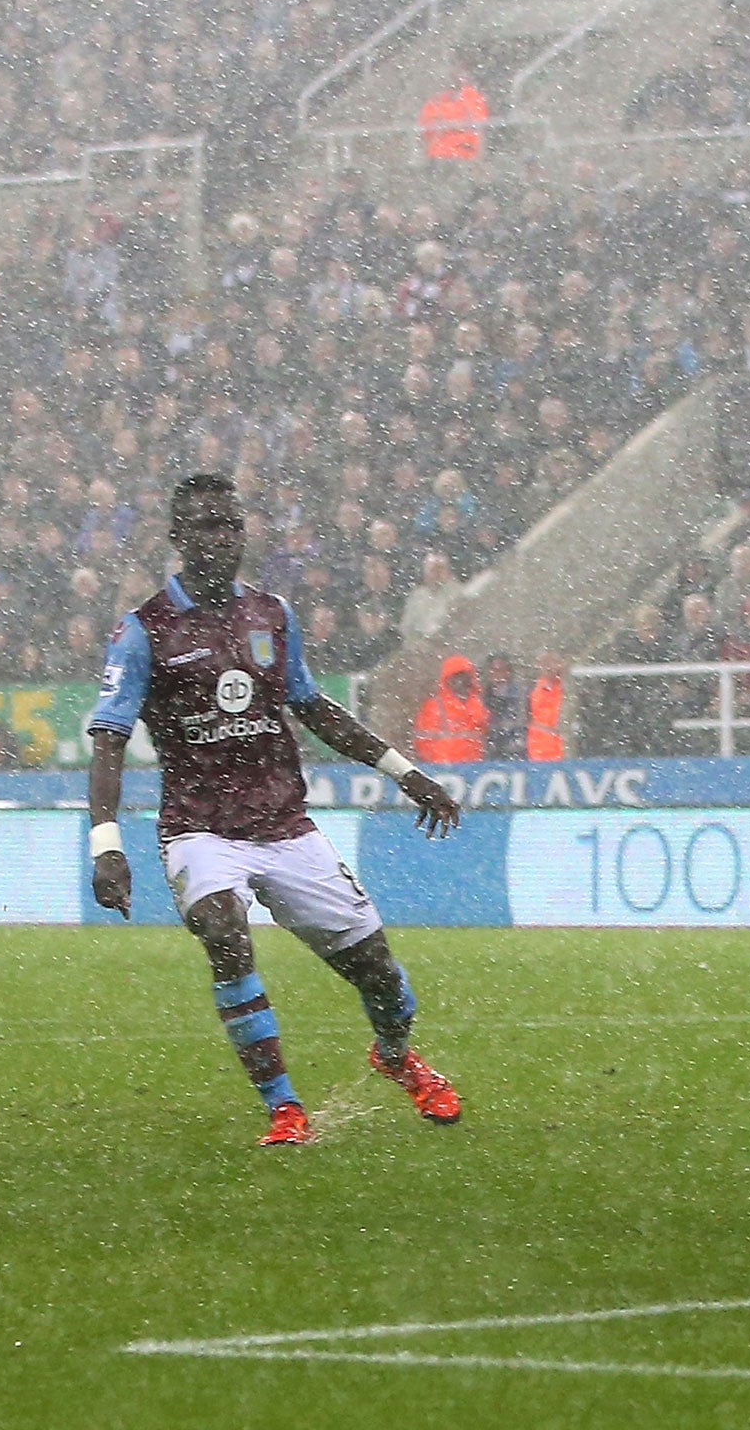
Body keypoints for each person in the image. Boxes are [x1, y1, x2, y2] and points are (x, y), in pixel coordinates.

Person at [87, 475, 464, 1146]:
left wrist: (407, 775)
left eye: (231, 524)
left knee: (380, 975)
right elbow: (109, 741)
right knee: (223, 930)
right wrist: (106, 845)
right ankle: (284, 1108)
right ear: (177, 538)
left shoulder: (271, 614)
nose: (221, 538)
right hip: (199, 828)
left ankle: (395, 1056)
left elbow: (314, 708)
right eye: (205, 526)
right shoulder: (146, 631)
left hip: (286, 825)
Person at [412, 653, 488, 764]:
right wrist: (434, 763)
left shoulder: (478, 704)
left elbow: (486, 737)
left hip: (474, 767)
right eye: (456, 677)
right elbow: (422, 741)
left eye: (464, 676)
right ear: (447, 679)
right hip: (443, 767)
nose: (461, 681)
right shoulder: (434, 706)